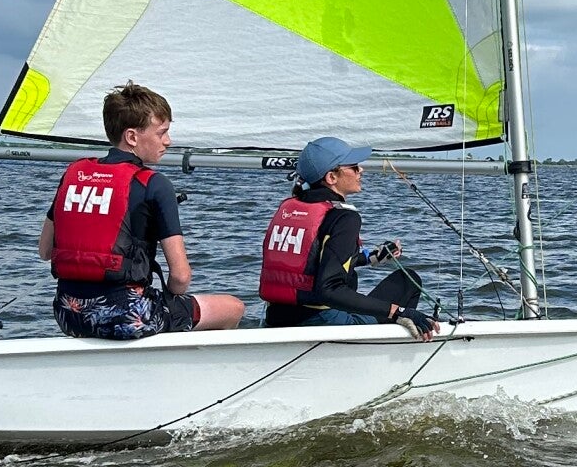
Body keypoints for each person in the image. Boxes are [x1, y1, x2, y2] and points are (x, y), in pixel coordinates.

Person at [40, 82, 245, 340]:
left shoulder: (74, 174)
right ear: (132, 137)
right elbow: (181, 277)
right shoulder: (155, 184)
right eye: (162, 133)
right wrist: (171, 298)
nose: (168, 141)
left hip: (68, 313)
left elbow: (44, 251)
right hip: (127, 316)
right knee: (233, 308)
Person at [259, 136, 432, 332]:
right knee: (408, 281)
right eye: (354, 167)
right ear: (331, 178)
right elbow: (329, 290)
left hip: (276, 318)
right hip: (321, 322)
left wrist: (371, 257)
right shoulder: (343, 217)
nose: (361, 170)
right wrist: (397, 311)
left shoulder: (289, 208)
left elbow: (311, 262)